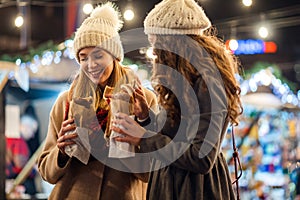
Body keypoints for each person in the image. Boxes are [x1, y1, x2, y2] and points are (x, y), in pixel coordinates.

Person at [111, 0, 243, 199]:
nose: (154, 52)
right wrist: (146, 117)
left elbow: (201, 157)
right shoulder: (182, 79)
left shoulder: (210, 82)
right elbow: (176, 134)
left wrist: (144, 138)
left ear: (175, 44)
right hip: (170, 184)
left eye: (157, 44)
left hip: (197, 190)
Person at [37, 2, 157, 200]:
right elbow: (46, 172)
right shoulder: (66, 102)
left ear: (114, 56)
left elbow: (152, 173)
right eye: (83, 58)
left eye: (98, 55)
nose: (91, 65)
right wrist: (61, 152)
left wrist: (140, 131)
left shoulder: (142, 100)